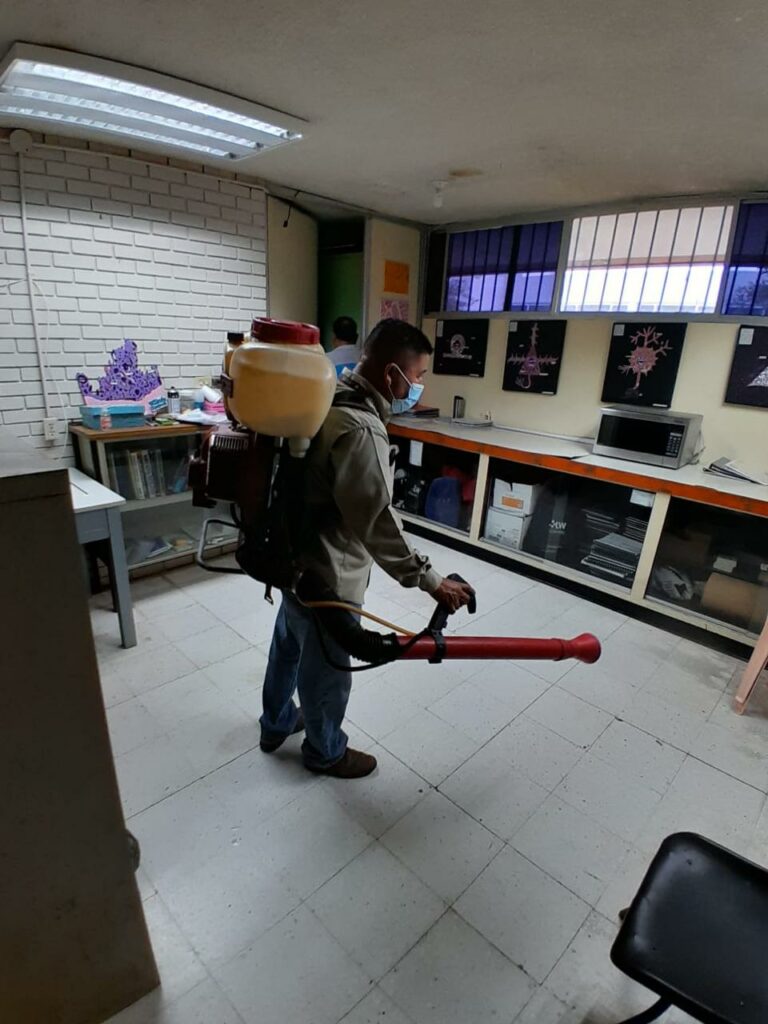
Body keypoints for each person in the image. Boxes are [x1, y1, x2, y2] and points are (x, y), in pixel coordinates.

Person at [259, 319, 474, 779]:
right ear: (392, 374)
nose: (418, 386)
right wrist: (431, 581)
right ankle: (325, 751)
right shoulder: (360, 429)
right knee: (327, 667)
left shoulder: (328, 395)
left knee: (288, 645)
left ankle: (275, 722)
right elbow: (377, 521)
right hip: (329, 574)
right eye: (417, 376)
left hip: (292, 556)